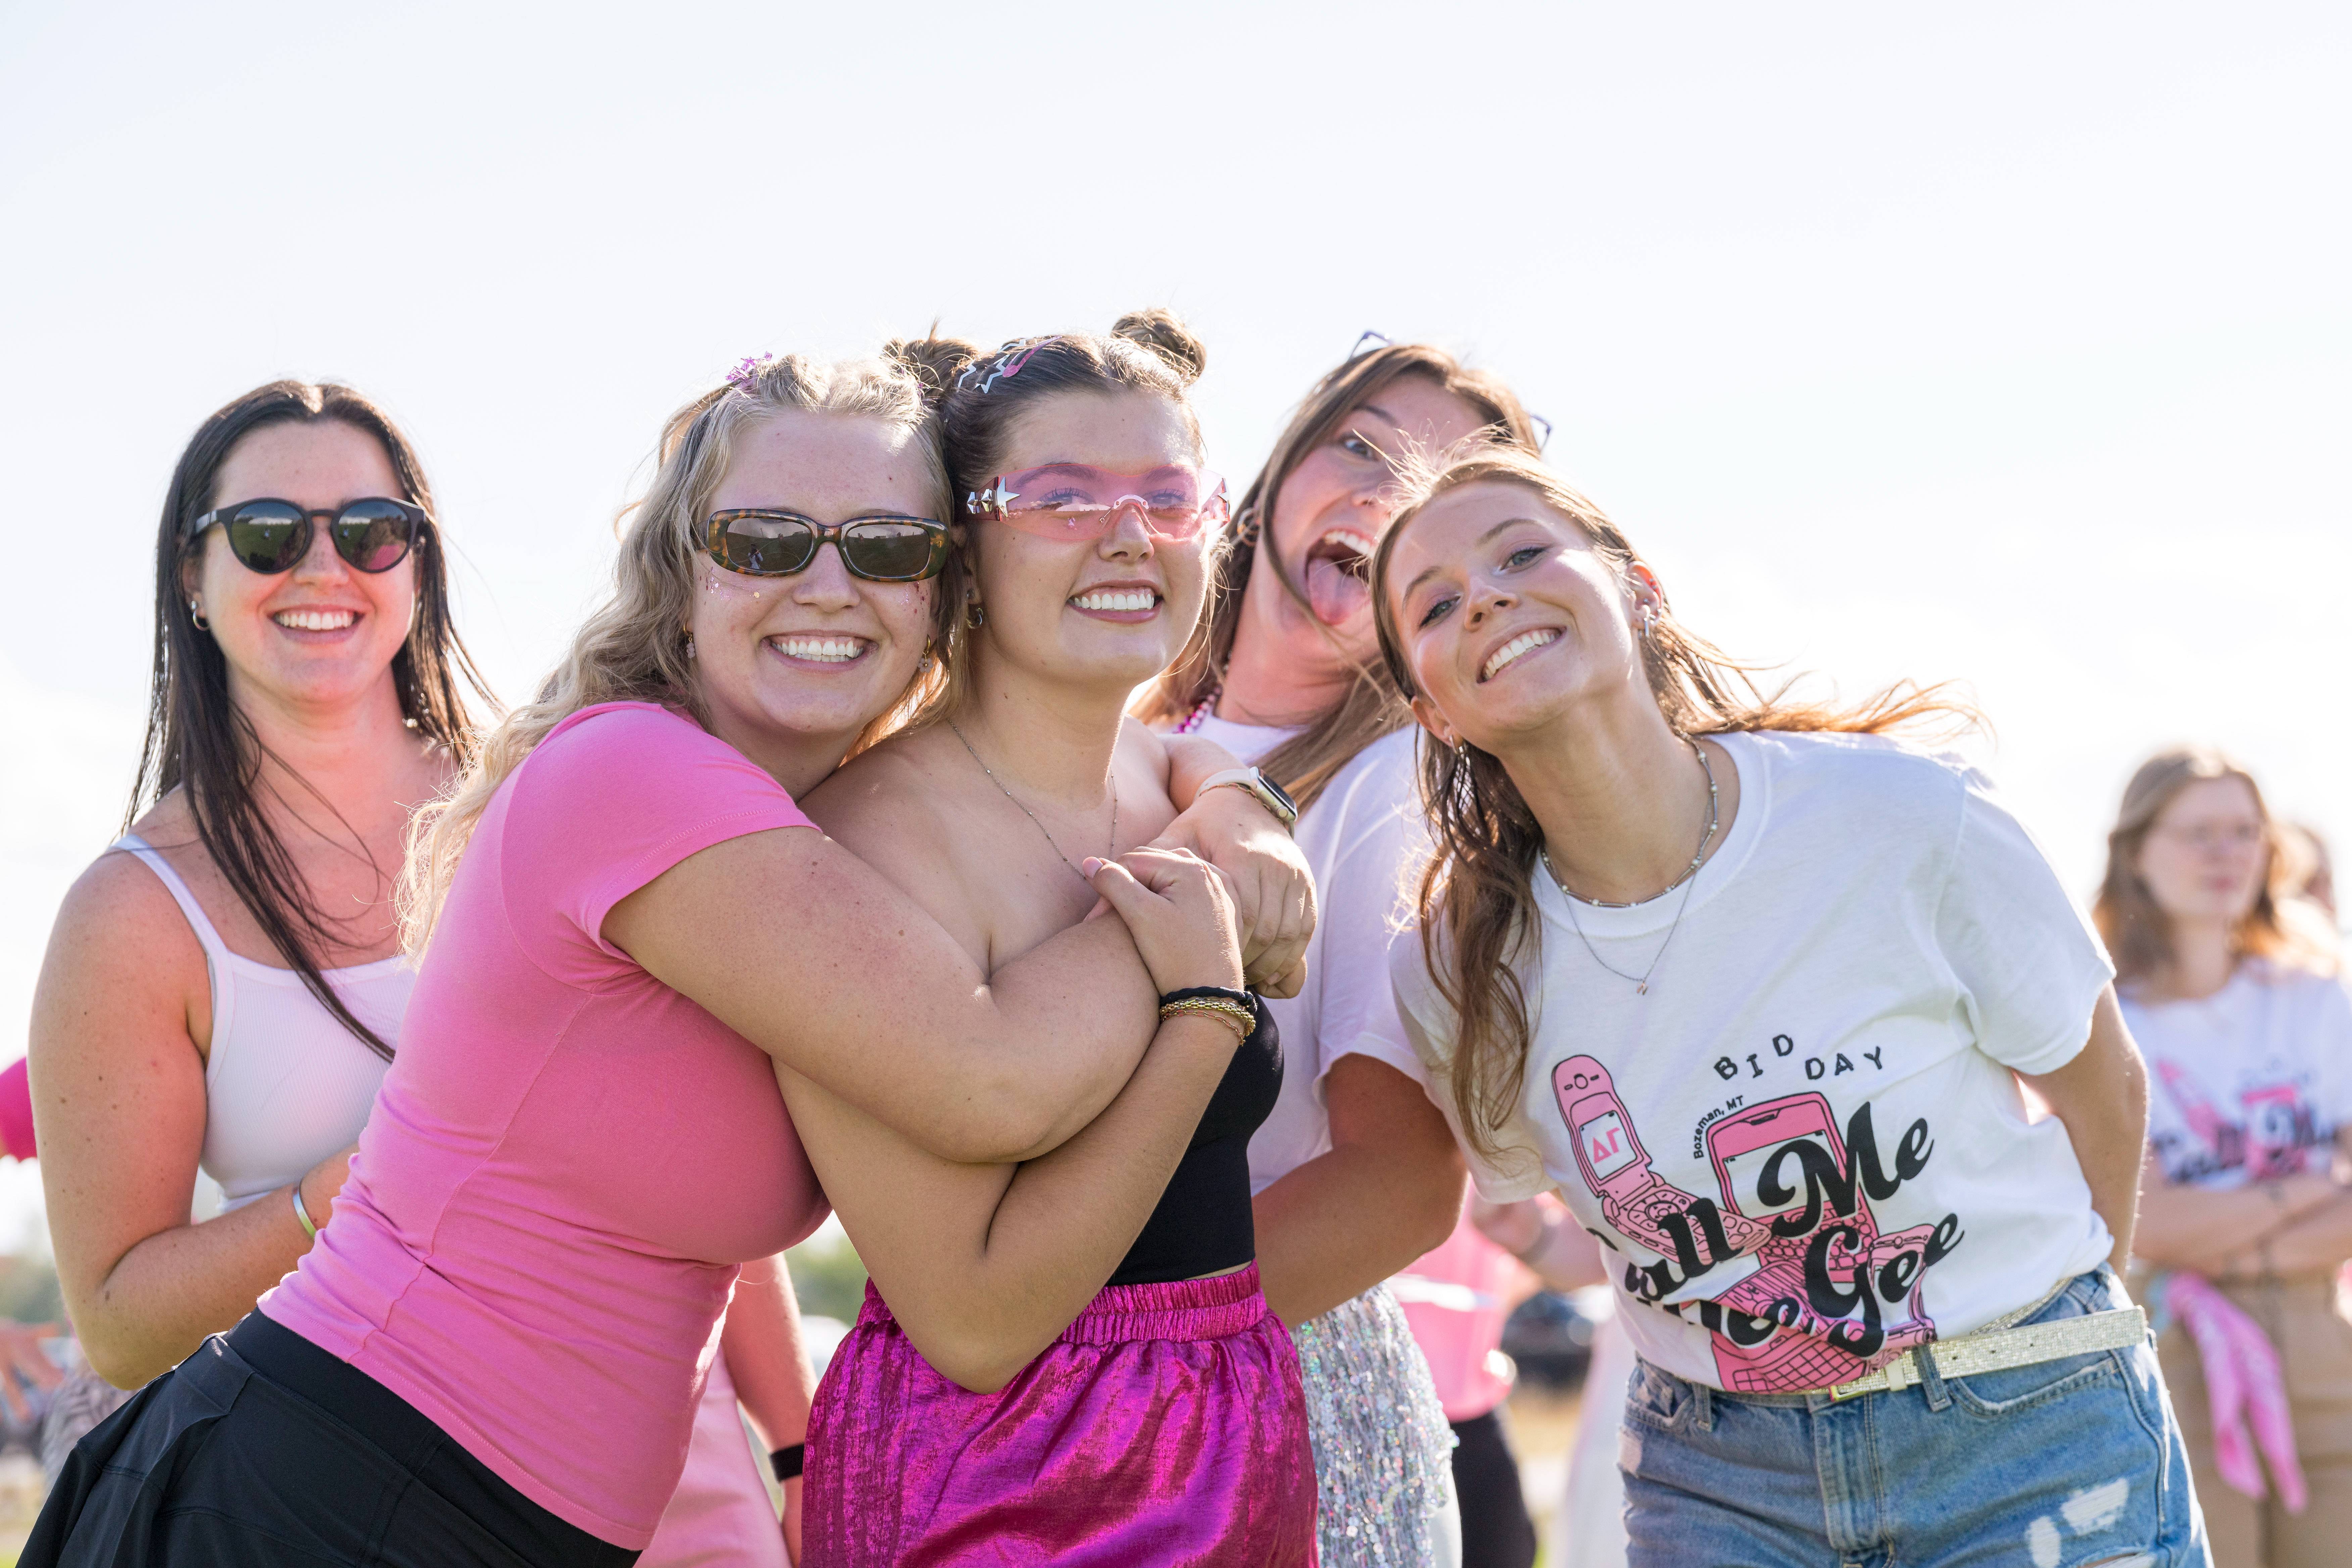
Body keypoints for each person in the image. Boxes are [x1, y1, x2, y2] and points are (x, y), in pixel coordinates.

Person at [25, 349, 1306, 1567]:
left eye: (882, 547)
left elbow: (1145, 753)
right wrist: (1202, 937)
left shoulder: (806, 841)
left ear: (940, 589)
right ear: (679, 574)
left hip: (481, 1516)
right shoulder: (631, 776)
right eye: (762, 542)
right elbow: (993, 1080)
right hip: (325, 1486)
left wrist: (1225, 794)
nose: (826, 585)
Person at [1369, 443, 2208, 1568]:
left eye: (1521, 551)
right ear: (1432, 710)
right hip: (1722, 1481)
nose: (1486, 595)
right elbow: (1540, 1208)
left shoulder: (1903, 817)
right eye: (1436, 604)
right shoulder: (1456, 977)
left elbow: (2098, 1085)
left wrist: (2040, 1329)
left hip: (2031, 1427)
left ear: (1634, 586)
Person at [23, 379, 812, 1567]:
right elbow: (122, 1325)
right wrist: (347, 1193)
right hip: (351, 1491)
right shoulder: (134, 911)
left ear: (418, 563)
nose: (323, 567)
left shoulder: (561, 793)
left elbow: (703, 1168)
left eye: (371, 531)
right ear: (192, 577)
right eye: (268, 535)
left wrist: (800, 1451)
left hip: (674, 1474)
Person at [791, 316, 1319, 1563]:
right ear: (960, 546)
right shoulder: (864, 842)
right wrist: (1200, 1017)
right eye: (1060, 498)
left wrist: (1236, 798)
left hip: (1236, 1434)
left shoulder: (1183, 780)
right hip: (998, 1479)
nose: (1126, 533)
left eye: (1166, 495)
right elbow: (969, 1321)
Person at [1138, 336, 1546, 1563]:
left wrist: (1091, 1350)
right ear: (1270, 484)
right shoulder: (1132, 727)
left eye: (1434, 479)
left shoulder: (1401, 784)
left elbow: (1401, 1188)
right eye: (1357, 446)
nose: (1380, 489)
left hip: (1257, 1404)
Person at [2108, 747, 2352, 1568]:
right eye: (2198, 831)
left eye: (2245, 831)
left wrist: (2232, 1236)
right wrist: (2309, 1189)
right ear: (2136, 851)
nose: (2226, 853)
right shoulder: (2108, 1017)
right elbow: (2148, 1221)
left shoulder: (2320, 998)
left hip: (2328, 1338)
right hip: (2182, 1346)